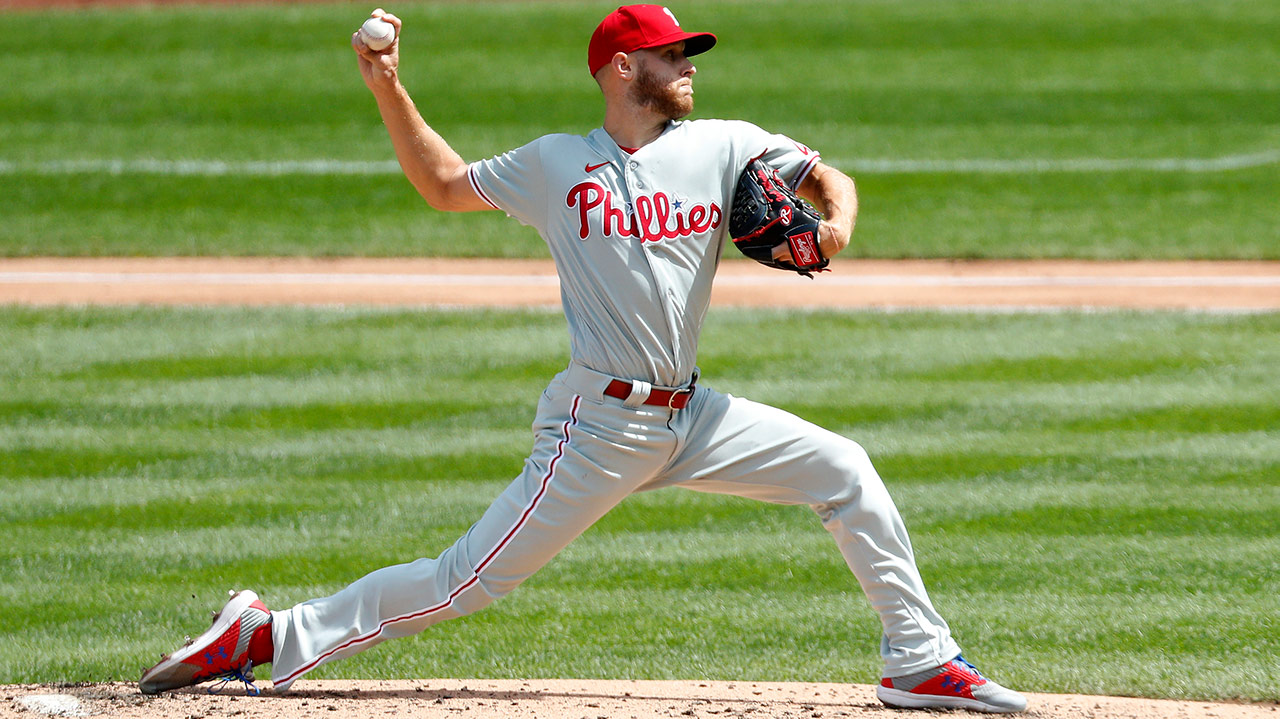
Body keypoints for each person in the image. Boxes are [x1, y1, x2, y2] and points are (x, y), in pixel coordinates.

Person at [139, 5, 1027, 713]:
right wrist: (388, 87)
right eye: (671, 53)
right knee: (463, 583)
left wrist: (835, 220)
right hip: (597, 427)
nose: (688, 65)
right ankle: (265, 634)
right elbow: (443, 186)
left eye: (690, 53)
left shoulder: (721, 145)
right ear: (619, 69)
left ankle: (919, 659)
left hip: (692, 416)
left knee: (844, 468)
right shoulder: (560, 165)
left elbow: (826, 178)